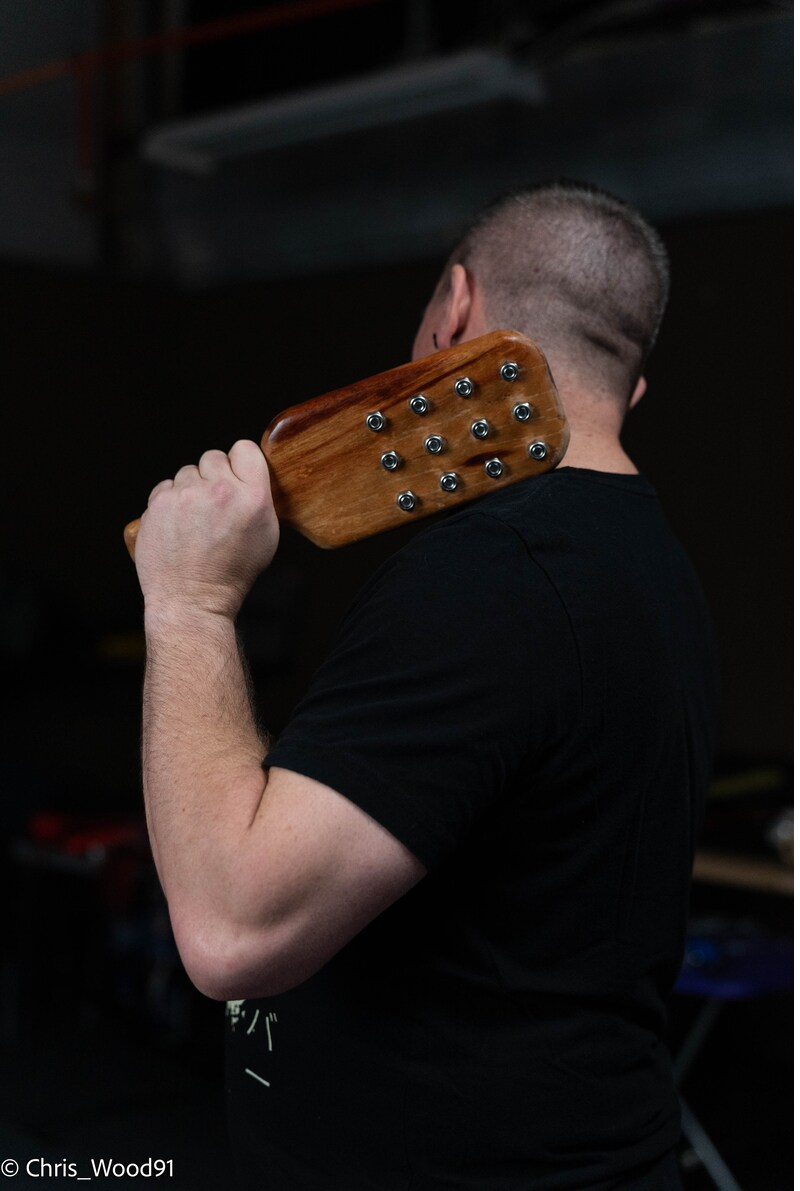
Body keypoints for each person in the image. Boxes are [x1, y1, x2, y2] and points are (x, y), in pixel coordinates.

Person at [132, 180, 718, 1190]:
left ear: (453, 307)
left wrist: (190, 605)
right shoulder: (652, 568)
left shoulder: (493, 573)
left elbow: (233, 931)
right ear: (631, 394)